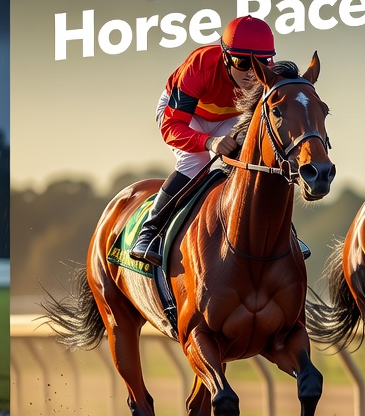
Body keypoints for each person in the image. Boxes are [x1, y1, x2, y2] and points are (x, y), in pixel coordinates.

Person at [129, 15, 307, 266]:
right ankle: (149, 233)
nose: (251, 73)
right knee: (195, 162)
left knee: (252, 163)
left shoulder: (267, 75)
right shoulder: (199, 66)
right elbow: (172, 127)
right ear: (225, 56)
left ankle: (286, 232)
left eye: (261, 62)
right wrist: (210, 142)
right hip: (186, 116)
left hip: (229, 118)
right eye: (242, 62)